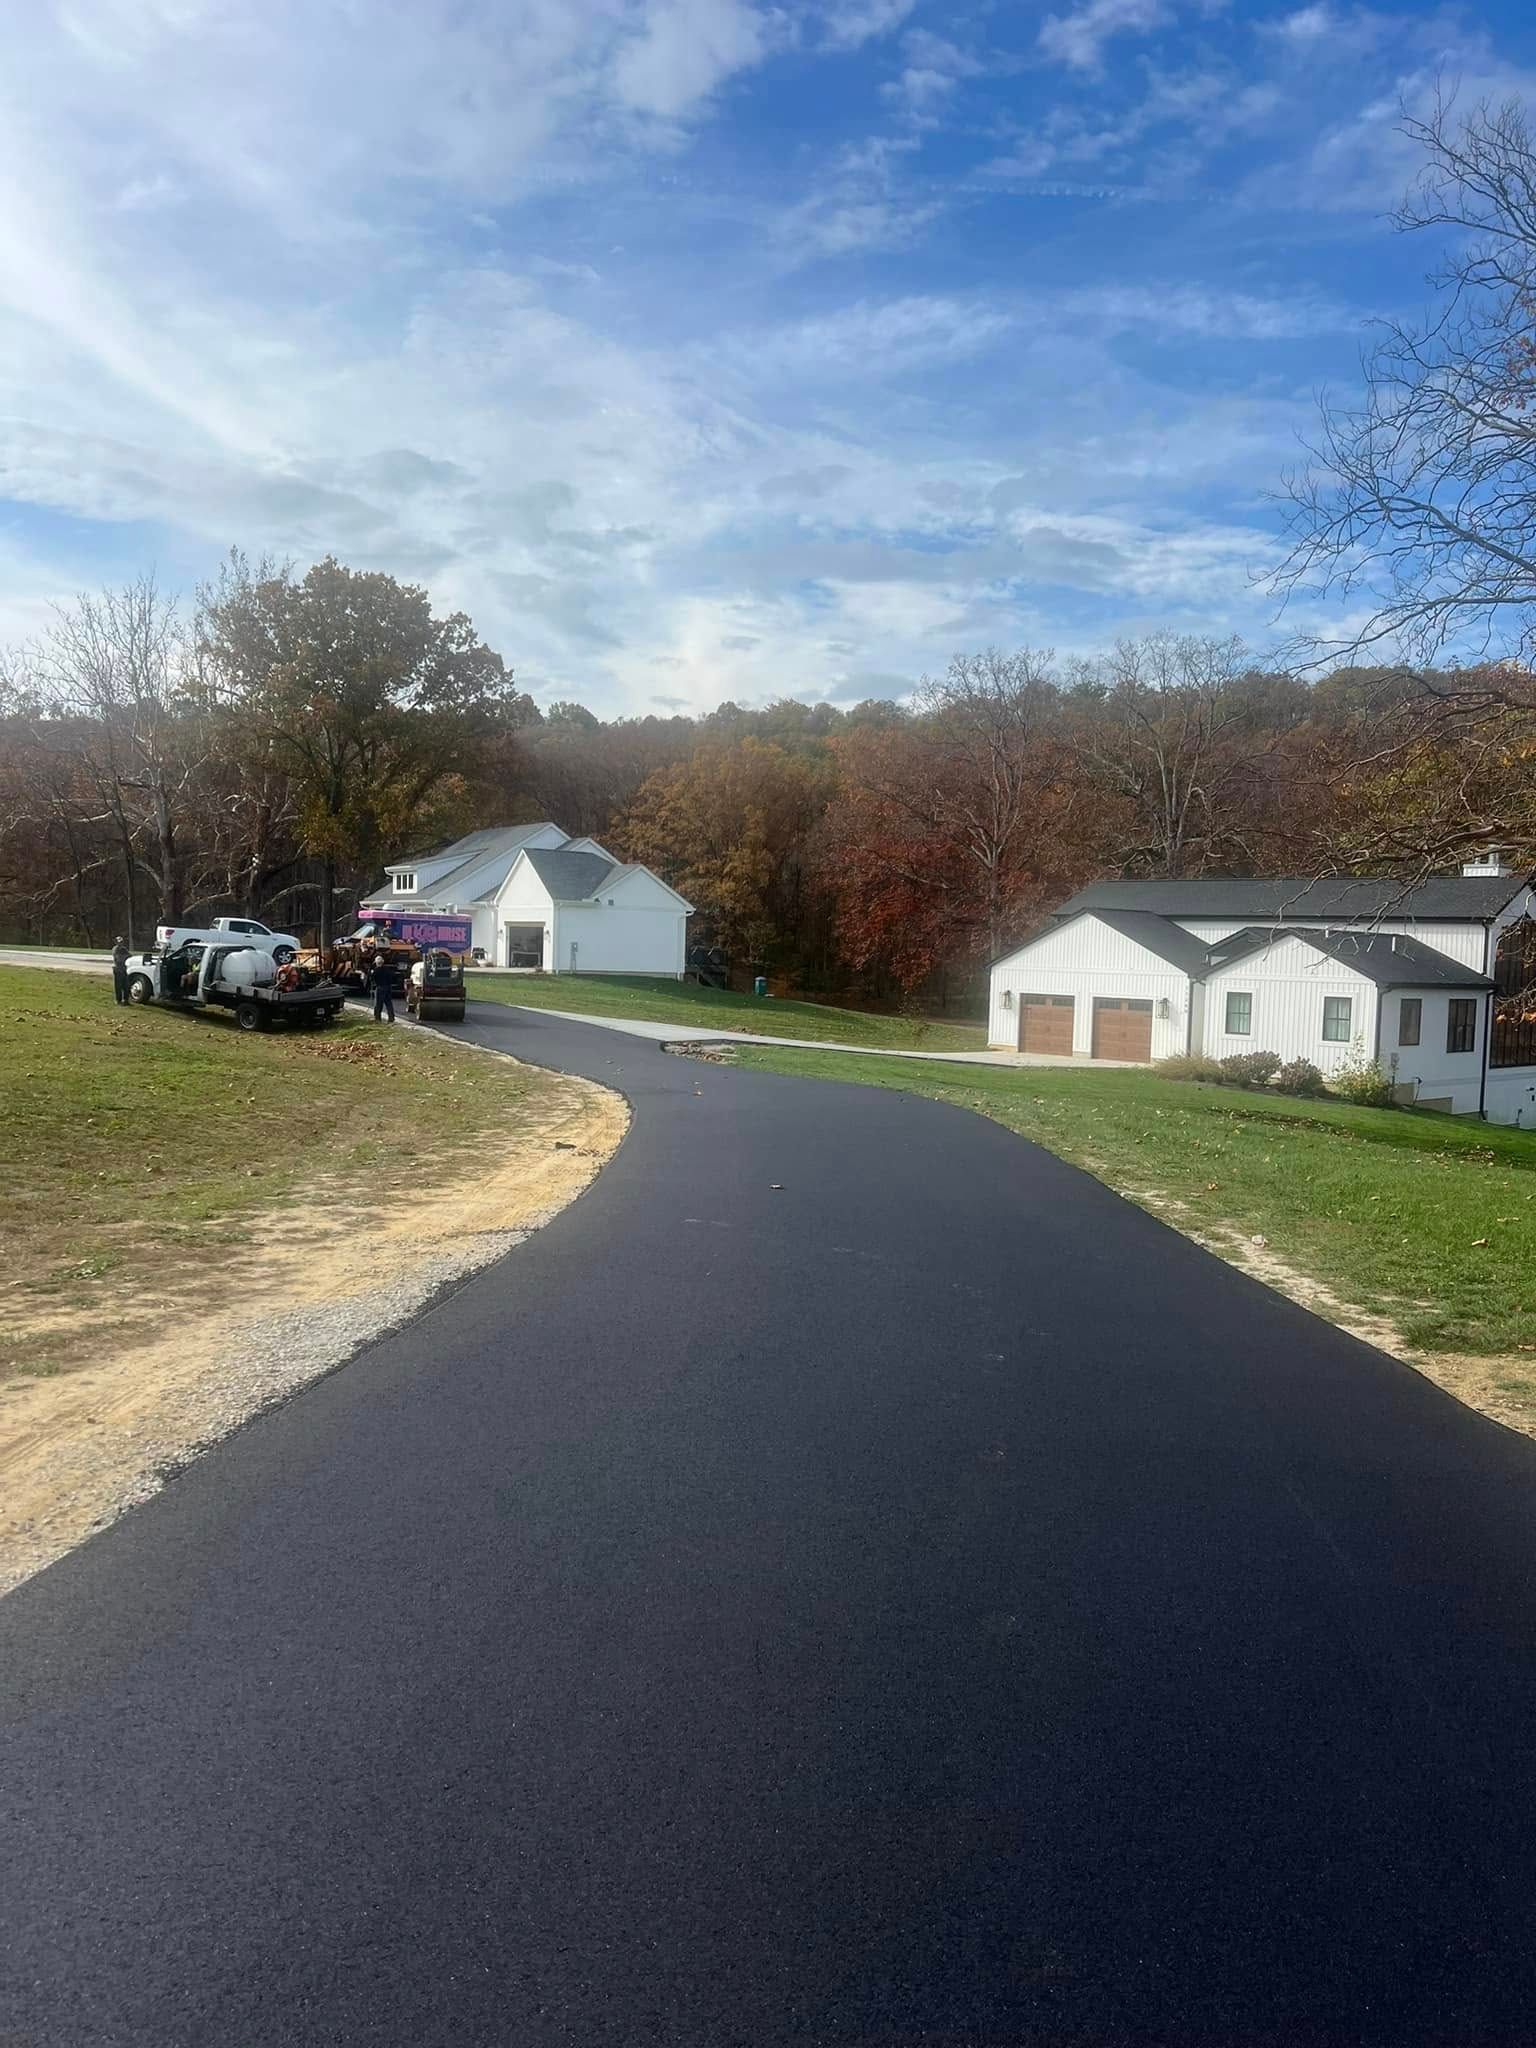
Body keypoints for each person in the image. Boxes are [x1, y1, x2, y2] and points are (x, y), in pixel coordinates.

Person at [369, 947, 396, 1025]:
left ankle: (377, 1018)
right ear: (383, 962)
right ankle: (391, 1018)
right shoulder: (387, 969)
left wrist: (371, 973)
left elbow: (371, 979)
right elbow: (393, 976)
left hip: (380, 988)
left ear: (376, 963)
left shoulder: (376, 970)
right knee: (388, 1003)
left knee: (378, 1004)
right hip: (388, 988)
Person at [111, 934, 130, 1006]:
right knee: (118, 986)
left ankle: (126, 1000)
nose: (121, 943)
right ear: (116, 942)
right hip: (118, 969)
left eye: (121, 942)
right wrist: (125, 957)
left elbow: (129, 956)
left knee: (125, 985)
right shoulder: (115, 949)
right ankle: (118, 1000)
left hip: (124, 969)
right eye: (119, 942)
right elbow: (118, 958)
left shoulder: (124, 949)